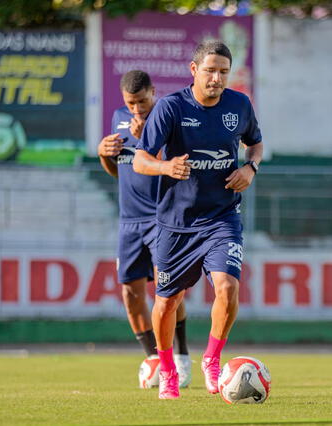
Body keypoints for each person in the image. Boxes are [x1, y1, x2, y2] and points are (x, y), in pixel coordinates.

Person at [133, 41, 263, 399]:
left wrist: (250, 167)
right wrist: (165, 166)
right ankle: (169, 370)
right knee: (167, 303)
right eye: (210, 70)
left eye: (223, 71)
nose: (217, 78)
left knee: (227, 287)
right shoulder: (171, 108)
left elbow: (256, 144)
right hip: (176, 224)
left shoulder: (240, 104)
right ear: (194, 71)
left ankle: (212, 359)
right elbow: (140, 159)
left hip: (222, 216)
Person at [97, 70, 192, 389]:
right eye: (131, 103)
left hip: (161, 218)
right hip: (129, 221)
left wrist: (147, 140)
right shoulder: (118, 117)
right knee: (130, 292)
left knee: (167, 291)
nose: (136, 109)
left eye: (141, 101)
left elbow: (172, 165)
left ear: (154, 92)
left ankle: (181, 356)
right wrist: (103, 154)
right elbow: (117, 170)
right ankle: (154, 360)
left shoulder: (167, 117)